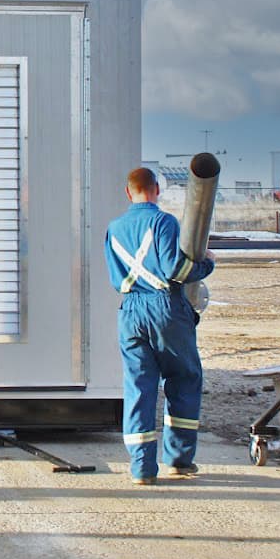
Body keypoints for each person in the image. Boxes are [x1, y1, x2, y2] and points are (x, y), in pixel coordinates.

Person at [105, 167, 215, 485]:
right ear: (157, 189)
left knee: (139, 387)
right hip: (165, 308)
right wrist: (207, 262)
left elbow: (117, 275)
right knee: (183, 378)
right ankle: (179, 460)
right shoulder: (163, 221)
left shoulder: (114, 228)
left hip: (130, 311)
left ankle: (142, 469)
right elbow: (175, 269)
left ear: (128, 193)